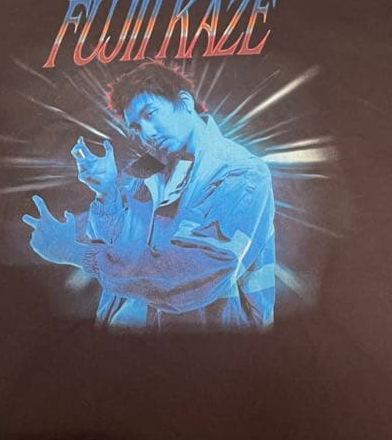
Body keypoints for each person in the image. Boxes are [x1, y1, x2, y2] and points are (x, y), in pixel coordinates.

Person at [21, 59, 276, 329]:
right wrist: (106, 191)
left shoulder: (240, 171)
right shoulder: (145, 174)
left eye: (150, 114)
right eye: (137, 127)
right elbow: (121, 253)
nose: (147, 134)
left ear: (185, 102)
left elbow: (197, 272)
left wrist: (76, 252)